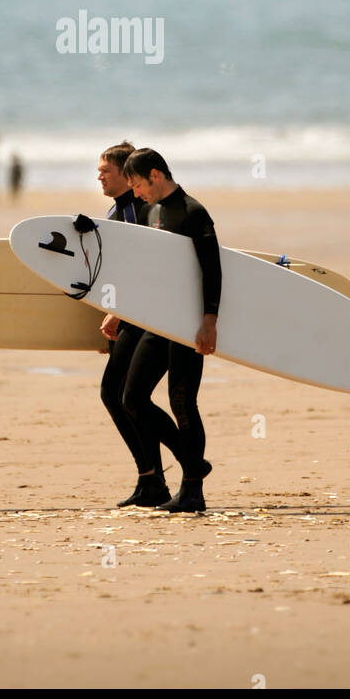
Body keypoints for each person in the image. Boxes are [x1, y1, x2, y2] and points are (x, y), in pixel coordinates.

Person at [120, 147, 221, 513]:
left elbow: (212, 268)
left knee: (182, 402)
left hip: (187, 322)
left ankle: (192, 490)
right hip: (158, 321)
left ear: (155, 175)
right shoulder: (150, 212)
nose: (135, 193)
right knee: (133, 398)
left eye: (137, 184)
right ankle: (194, 464)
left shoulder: (192, 212)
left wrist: (209, 319)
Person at [97, 142, 184, 508]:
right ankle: (151, 479)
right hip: (133, 314)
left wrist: (118, 310)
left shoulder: (137, 209)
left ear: (128, 175)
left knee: (124, 396)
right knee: (122, 397)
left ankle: (171, 468)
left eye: (107, 171)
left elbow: (145, 266)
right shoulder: (119, 209)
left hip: (143, 317)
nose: (100, 176)